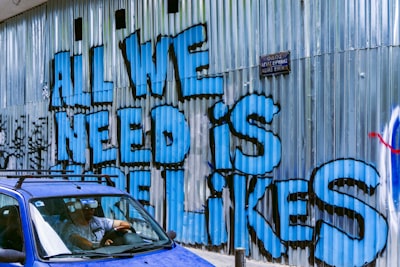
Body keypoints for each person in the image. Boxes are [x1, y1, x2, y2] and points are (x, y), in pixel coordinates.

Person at [63, 199, 131, 250]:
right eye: (86, 209)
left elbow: (123, 223)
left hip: (102, 255)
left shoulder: (99, 221)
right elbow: (83, 243)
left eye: (92, 209)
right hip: (80, 258)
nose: (90, 211)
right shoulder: (70, 227)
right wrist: (102, 244)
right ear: (78, 210)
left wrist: (122, 228)